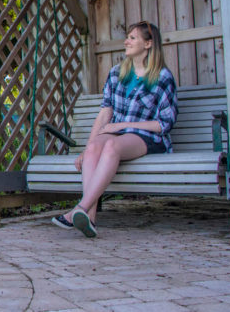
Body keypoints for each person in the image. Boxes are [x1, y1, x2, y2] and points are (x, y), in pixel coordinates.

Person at [51, 20, 177, 238]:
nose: (126, 41)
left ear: (148, 44)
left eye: (133, 38)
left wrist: (124, 125)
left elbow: (164, 123)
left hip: (148, 138)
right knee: (94, 149)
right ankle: (89, 218)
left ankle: (79, 209)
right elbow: (105, 113)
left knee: (110, 146)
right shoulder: (117, 73)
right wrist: (88, 147)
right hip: (117, 134)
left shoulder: (162, 77)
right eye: (127, 37)